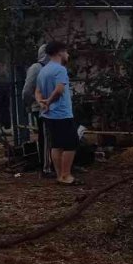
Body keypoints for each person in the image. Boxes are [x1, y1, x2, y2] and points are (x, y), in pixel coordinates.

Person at [36, 41, 78, 186]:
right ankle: (66, 175)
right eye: (66, 52)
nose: (68, 55)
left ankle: (60, 175)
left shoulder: (43, 70)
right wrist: (49, 101)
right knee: (71, 143)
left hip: (49, 114)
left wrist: (42, 102)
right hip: (62, 113)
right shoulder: (60, 70)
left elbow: (37, 91)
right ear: (60, 52)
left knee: (56, 144)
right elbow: (60, 90)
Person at [22, 44, 53, 177]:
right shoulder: (36, 68)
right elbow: (27, 91)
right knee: (46, 137)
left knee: (51, 137)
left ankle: (53, 165)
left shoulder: (53, 68)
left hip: (53, 108)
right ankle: (46, 168)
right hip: (42, 108)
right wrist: (30, 104)